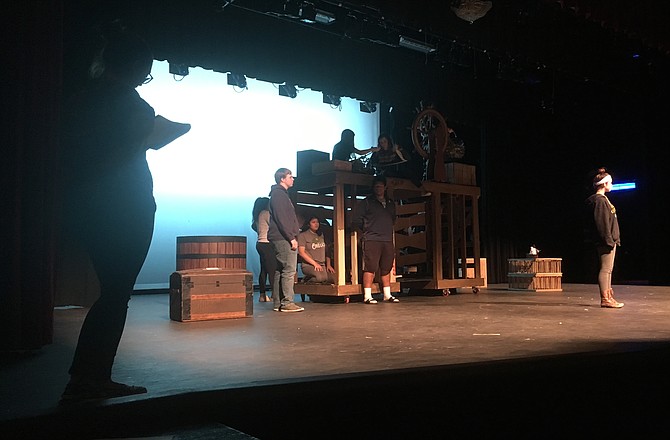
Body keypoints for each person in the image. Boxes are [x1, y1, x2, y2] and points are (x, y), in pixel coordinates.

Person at [58, 23, 190, 403]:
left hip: (87, 206)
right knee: (117, 294)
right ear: (138, 68)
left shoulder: (84, 96)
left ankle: (86, 376)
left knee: (111, 293)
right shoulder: (134, 105)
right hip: (126, 207)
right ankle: (89, 378)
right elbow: (132, 148)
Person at [354, 175, 400, 304]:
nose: (378, 188)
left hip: (387, 238)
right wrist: (367, 229)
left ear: (385, 188)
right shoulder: (367, 202)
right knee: (370, 266)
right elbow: (356, 219)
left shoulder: (390, 203)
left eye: (380, 186)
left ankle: (387, 294)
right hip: (372, 238)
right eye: (376, 186)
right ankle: (367, 296)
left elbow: (393, 219)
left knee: (386, 267)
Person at [584, 167, 624, 308]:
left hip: (610, 239)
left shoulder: (603, 199)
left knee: (609, 269)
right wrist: (608, 240)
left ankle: (609, 296)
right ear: (604, 184)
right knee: (605, 269)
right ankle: (605, 298)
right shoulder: (599, 200)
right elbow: (602, 222)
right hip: (605, 240)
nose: (612, 185)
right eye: (610, 182)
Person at [268, 168, 304, 312]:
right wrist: (291, 237)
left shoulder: (279, 194)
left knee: (280, 270)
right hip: (283, 237)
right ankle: (287, 302)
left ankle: (278, 302)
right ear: (282, 179)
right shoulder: (279, 195)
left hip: (280, 237)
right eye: (290, 176)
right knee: (289, 270)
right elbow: (282, 218)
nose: (292, 179)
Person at [298, 216, 335, 284]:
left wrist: (328, 264)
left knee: (332, 278)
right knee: (320, 278)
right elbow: (301, 252)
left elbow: (327, 250)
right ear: (309, 224)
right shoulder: (303, 235)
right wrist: (314, 264)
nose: (316, 224)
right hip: (309, 265)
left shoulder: (321, 235)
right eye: (313, 222)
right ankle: (306, 280)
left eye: (317, 222)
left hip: (322, 264)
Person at [251, 197, 275, 302]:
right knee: (272, 270)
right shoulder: (266, 213)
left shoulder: (256, 216)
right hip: (267, 244)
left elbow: (254, 227)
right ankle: (275, 294)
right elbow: (274, 225)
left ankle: (262, 294)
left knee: (264, 270)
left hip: (260, 243)